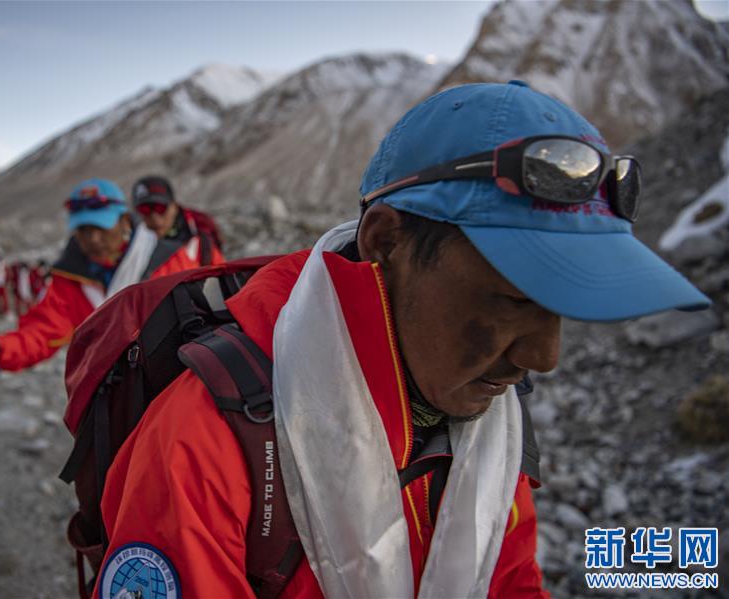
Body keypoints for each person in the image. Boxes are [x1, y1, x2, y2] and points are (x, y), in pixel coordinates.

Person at [92, 82, 711, 599]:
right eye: (514, 299)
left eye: (562, 308)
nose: (541, 359)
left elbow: (510, 578)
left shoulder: (489, 419)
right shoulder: (205, 446)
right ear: (385, 243)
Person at [0, 177, 221, 373]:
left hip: (173, 380)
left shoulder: (171, 259)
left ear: (124, 222)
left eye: (102, 228)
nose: (94, 239)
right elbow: (44, 331)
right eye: (84, 230)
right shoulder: (70, 279)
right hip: (110, 391)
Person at [131, 175, 224, 275]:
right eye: (145, 210)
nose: (154, 217)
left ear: (174, 206)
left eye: (160, 208)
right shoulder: (128, 249)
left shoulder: (199, 239)